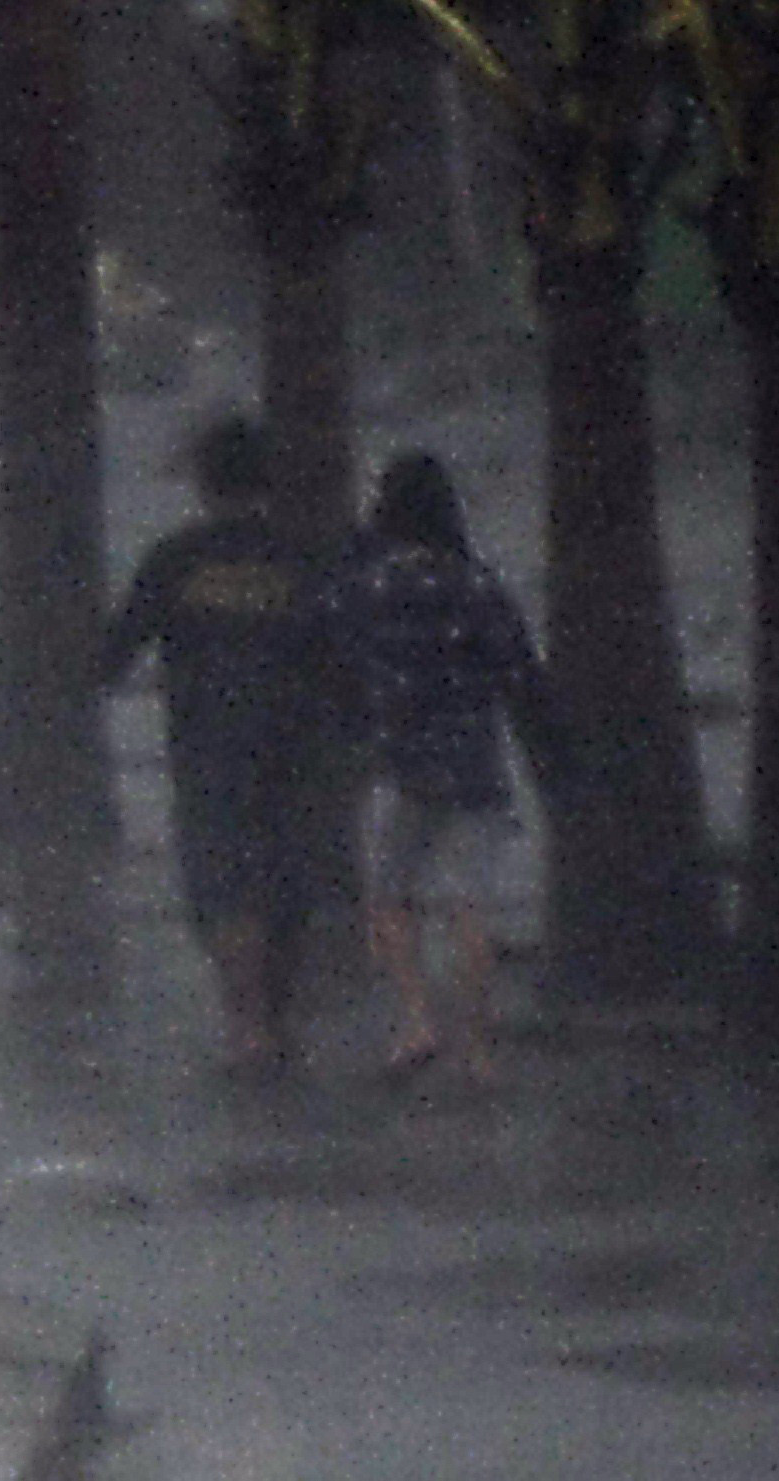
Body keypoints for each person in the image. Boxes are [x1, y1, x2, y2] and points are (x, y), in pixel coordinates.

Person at [100, 413, 346, 1076]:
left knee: (222, 887)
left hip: (207, 745)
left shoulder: (176, 557)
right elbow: (341, 651)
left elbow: (119, 650)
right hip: (297, 746)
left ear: (204, 484)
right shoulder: (306, 556)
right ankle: (275, 1018)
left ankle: (248, 1026)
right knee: (287, 879)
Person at [335, 449, 565, 1090]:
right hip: (474, 768)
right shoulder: (479, 586)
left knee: (389, 897)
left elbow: (338, 658)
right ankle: (478, 1052)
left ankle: (415, 1020)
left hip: (399, 767)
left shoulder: (370, 585)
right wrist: (556, 767)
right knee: (471, 909)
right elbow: (521, 678)